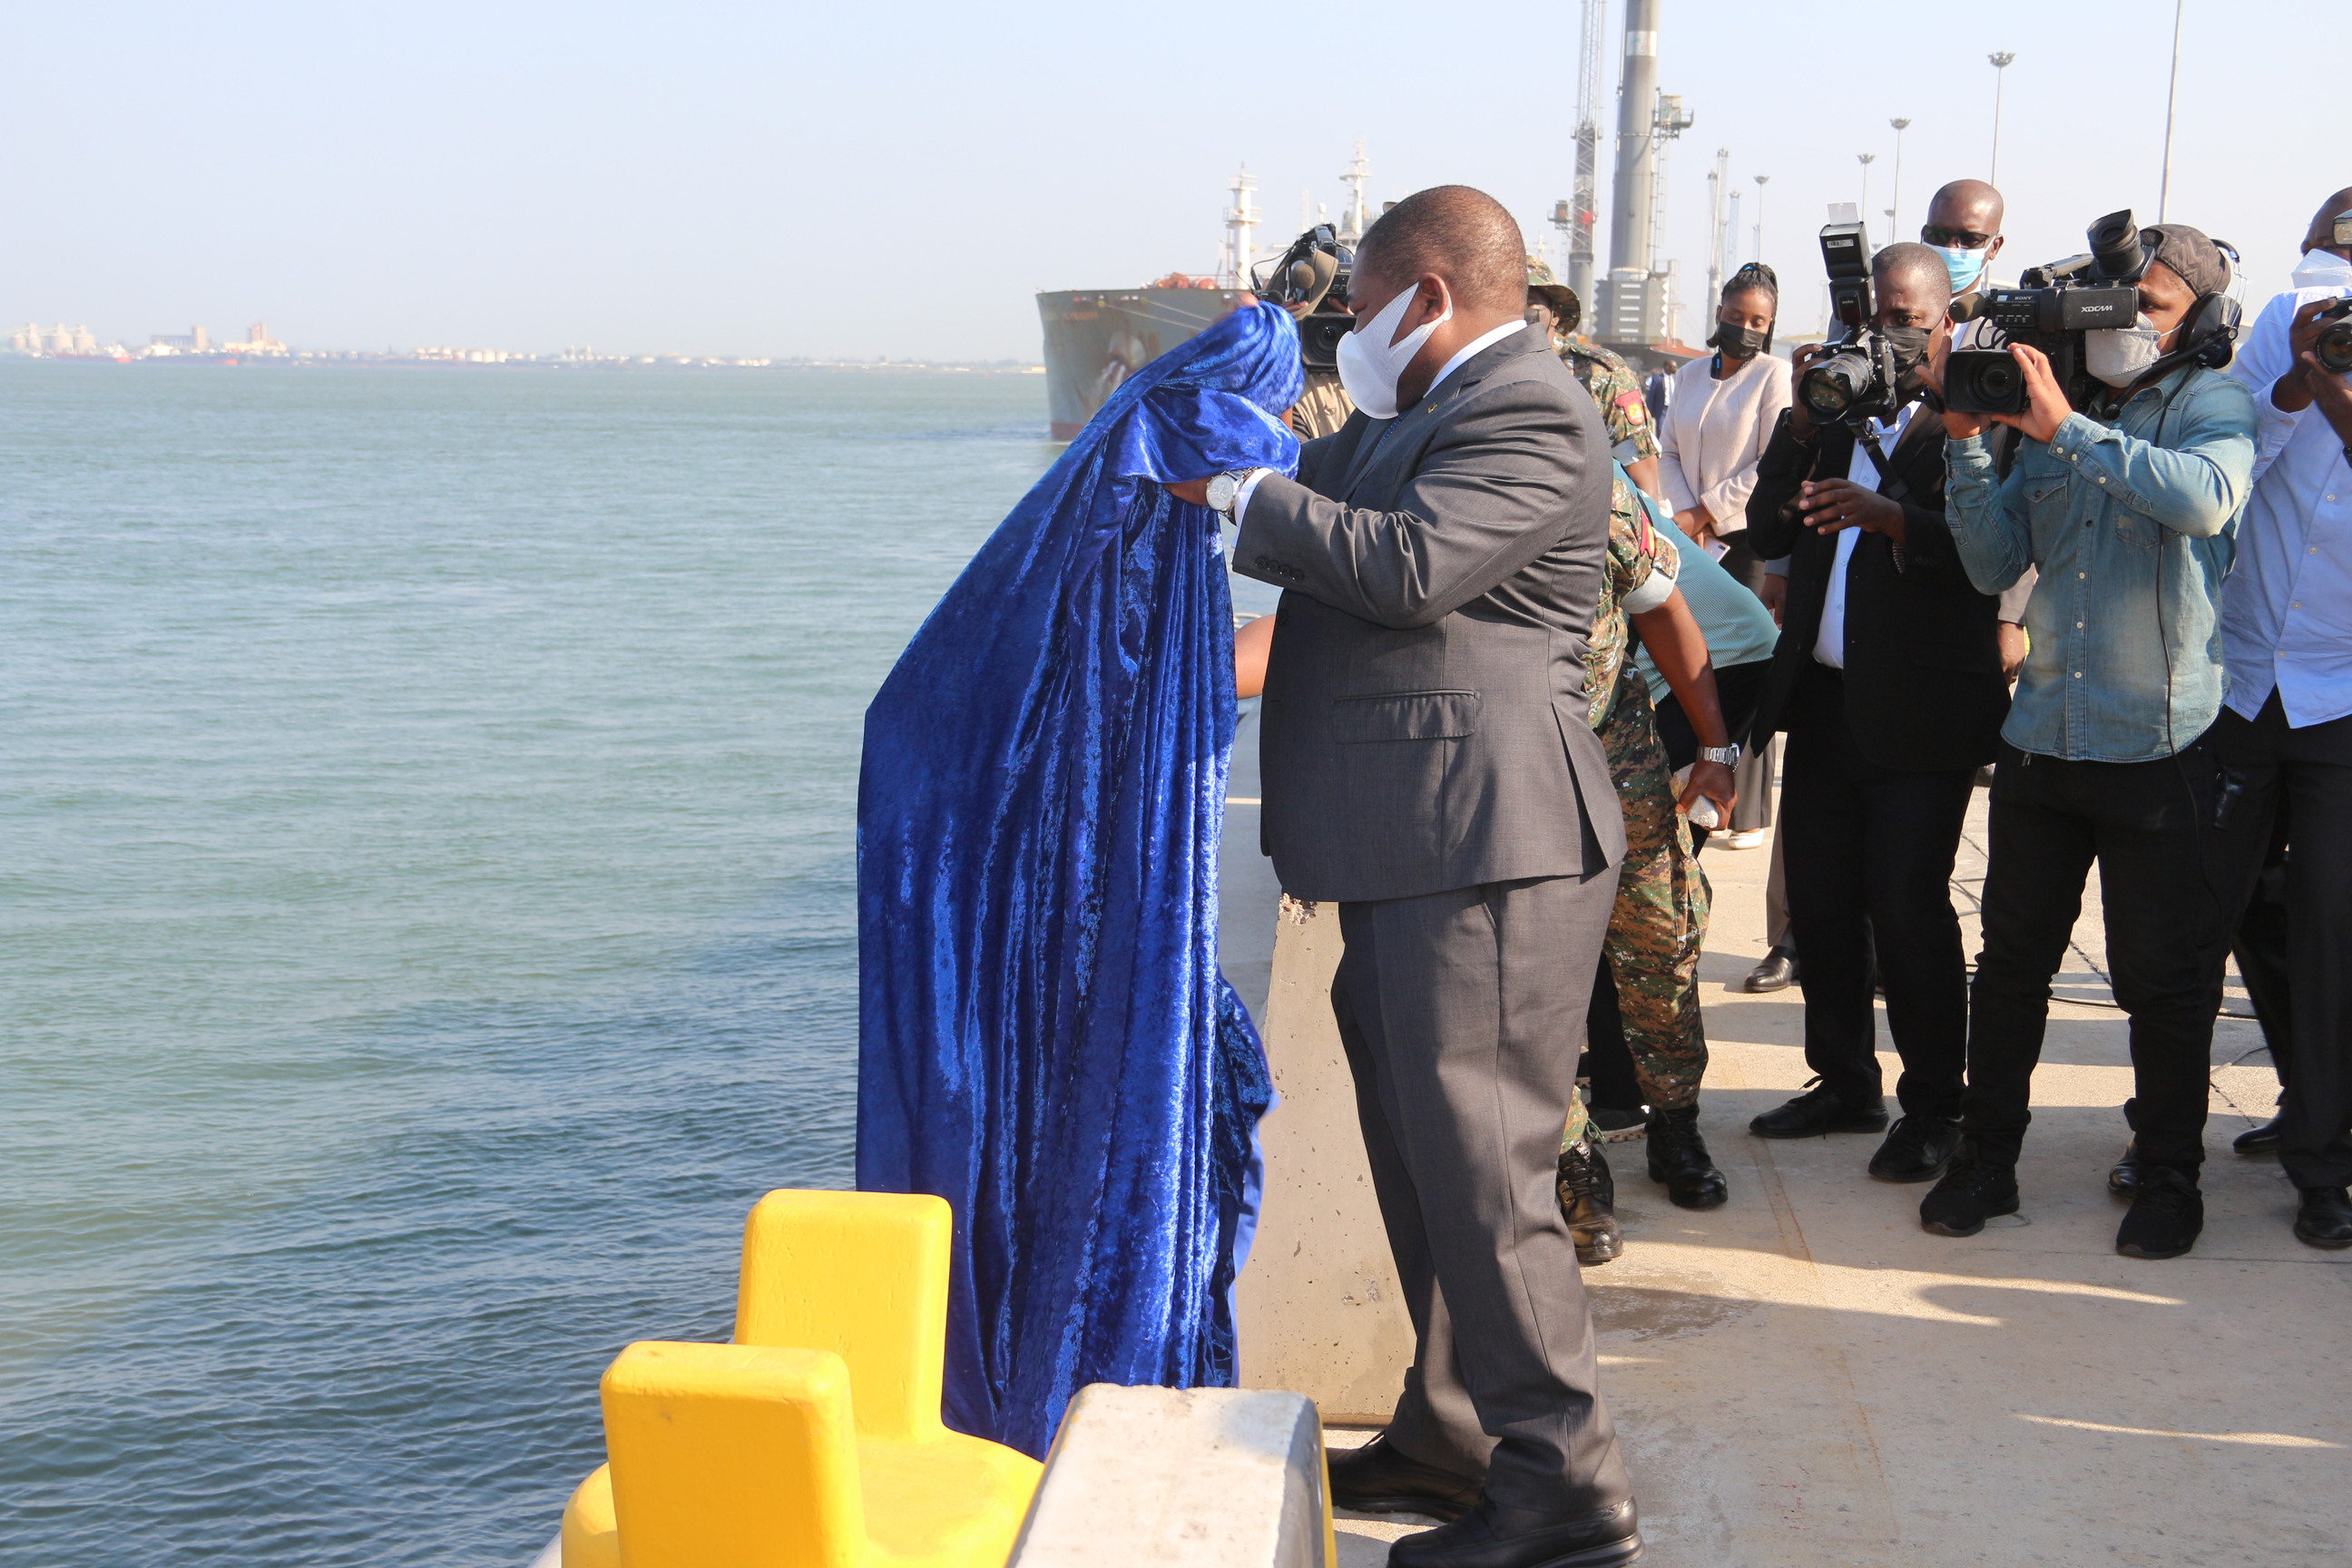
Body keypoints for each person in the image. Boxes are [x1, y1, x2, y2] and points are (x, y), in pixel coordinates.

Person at [1183, 185, 1642, 1568]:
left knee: (1489, 1182)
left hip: (1489, 850)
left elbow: (1406, 568)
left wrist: (1238, 491)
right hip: (1412, 844)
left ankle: (1565, 1495)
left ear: (1429, 298)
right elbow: (1310, 478)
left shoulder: (1531, 410)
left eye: (1366, 308)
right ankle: (1453, 1432)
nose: (1353, 335)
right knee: (1425, 1163)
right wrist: (1203, 433)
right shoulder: (1415, 417)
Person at [1925, 221, 2259, 1259]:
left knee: (2163, 982)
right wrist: (1967, 441)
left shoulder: (2209, 405)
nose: (2126, 326)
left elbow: (2205, 502)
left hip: (2159, 745)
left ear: (2200, 318)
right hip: (2042, 741)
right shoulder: (2052, 413)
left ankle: (2168, 1175)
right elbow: (1992, 565)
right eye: (2115, 307)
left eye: (2150, 308)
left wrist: (2065, 427)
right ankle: (1987, 1160)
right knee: (2012, 968)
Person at [1740, 243, 2013, 1188]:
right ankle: (1845, 1081)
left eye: (1906, 319)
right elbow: (1767, 531)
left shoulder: (1979, 413)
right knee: (1820, 907)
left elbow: (1992, 557)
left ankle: (1935, 1105)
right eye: (1873, 317)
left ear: (1945, 322)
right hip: (1825, 702)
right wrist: (1799, 424)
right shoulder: (1833, 410)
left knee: (1906, 909)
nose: (1885, 335)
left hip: (1925, 711)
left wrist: (1890, 517)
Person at [2207, 187, 2352, 1248]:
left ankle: (2323, 1164)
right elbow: (2232, 463)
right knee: (2220, 907)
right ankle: (2305, 1098)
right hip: (2246, 678)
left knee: (2332, 924)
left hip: (2344, 692)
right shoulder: (2281, 323)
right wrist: (2299, 379)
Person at [1659, 261, 1793, 856]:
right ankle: (1698, 777)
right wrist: (1684, 517)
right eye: (1737, 316)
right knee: (1695, 659)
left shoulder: (1773, 376)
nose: (1746, 328)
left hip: (1746, 539)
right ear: (1719, 313)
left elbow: (1771, 462)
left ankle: (1749, 809)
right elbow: (1666, 449)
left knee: (1750, 658)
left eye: (1759, 321)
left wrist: (1708, 512)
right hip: (1689, 539)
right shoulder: (1690, 375)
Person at [1529, 260, 1666, 502]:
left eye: (1529, 304)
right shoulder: (1477, 371)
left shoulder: (1599, 374)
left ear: (1555, 315)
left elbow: (1644, 484)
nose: (1517, 314)